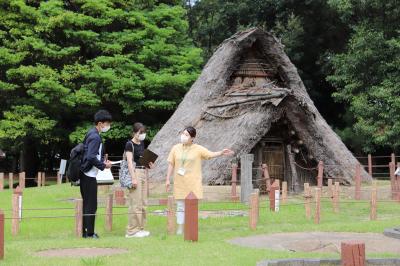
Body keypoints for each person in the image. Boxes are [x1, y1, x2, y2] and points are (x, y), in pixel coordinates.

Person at [165, 126, 234, 234]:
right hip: (179, 182)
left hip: (193, 182)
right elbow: (171, 164)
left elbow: (210, 154)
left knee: (191, 206)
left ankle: (190, 227)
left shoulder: (198, 148)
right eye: (183, 134)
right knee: (180, 206)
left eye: (186, 135)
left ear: (192, 138)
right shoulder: (175, 148)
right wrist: (167, 179)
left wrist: (221, 152)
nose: (183, 136)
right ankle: (180, 228)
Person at [80, 110, 112, 239]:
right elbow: (91, 156)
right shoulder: (95, 136)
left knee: (88, 203)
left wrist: (102, 162)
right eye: (107, 124)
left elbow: (93, 156)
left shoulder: (91, 134)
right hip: (88, 175)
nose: (108, 126)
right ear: (100, 123)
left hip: (87, 173)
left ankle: (85, 231)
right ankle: (89, 233)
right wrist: (104, 166)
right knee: (91, 205)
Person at [125, 122, 152, 238]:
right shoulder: (129, 144)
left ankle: (140, 228)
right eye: (140, 133)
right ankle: (131, 231)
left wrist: (149, 164)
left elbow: (143, 159)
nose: (142, 135)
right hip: (135, 172)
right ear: (134, 132)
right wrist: (133, 178)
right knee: (135, 203)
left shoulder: (142, 143)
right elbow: (130, 162)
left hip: (143, 172)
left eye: (143, 132)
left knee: (143, 203)